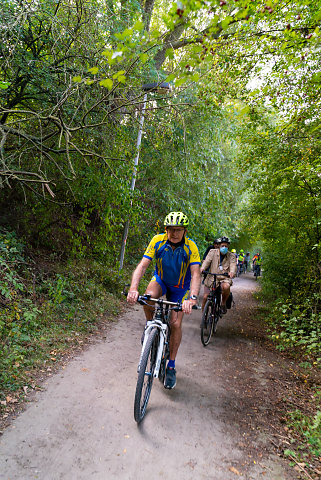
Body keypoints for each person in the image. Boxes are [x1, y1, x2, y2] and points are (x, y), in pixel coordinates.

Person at [127, 211, 201, 390]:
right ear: (165, 229)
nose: (174, 233)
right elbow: (142, 265)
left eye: (178, 230)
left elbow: (196, 273)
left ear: (184, 231)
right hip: (161, 281)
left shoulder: (191, 247)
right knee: (148, 297)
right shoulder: (157, 241)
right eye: (170, 229)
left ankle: (171, 366)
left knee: (175, 324)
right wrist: (133, 289)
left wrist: (191, 298)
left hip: (180, 288)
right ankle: (150, 325)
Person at [201, 236, 237, 314]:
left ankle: (223, 303)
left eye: (226, 246)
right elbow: (207, 261)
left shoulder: (231, 256)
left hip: (224, 278)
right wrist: (202, 268)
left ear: (228, 247)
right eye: (222, 246)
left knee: (226, 287)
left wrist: (232, 272)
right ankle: (204, 315)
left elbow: (233, 265)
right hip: (212, 277)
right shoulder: (212, 252)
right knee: (205, 297)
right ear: (219, 246)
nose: (224, 247)